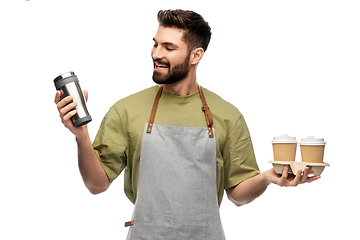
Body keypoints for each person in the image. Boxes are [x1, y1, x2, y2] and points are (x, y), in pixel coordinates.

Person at [55, 9, 320, 239]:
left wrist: (265, 178)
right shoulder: (126, 110)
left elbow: (237, 195)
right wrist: (81, 136)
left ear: (196, 55)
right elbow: (96, 184)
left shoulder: (227, 115)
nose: (156, 53)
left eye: (168, 48)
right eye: (155, 44)